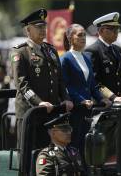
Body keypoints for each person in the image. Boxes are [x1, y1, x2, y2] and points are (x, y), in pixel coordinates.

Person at [10, 8, 73, 149]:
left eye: (44, 26)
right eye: (38, 27)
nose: (43, 30)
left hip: (50, 112)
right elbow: (22, 84)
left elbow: (59, 79)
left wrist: (66, 98)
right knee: (28, 155)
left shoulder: (50, 50)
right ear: (28, 30)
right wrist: (39, 102)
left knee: (47, 153)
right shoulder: (20, 51)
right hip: (30, 112)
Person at [61, 23, 111, 164]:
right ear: (70, 38)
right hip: (75, 110)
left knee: (85, 145)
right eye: (79, 35)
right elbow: (64, 86)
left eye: (84, 35)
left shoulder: (86, 58)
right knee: (73, 145)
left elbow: (92, 85)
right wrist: (80, 100)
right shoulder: (65, 59)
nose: (83, 38)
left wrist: (102, 98)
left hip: (87, 110)